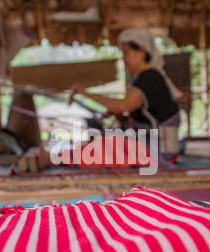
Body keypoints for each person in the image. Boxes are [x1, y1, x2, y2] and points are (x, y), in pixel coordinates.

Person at [32, 28, 183, 171]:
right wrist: (118, 115)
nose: (124, 59)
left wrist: (85, 94)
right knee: (102, 143)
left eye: (126, 53)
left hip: (158, 152)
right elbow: (132, 113)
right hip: (155, 148)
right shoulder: (146, 79)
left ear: (142, 51)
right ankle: (58, 157)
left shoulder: (150, 78)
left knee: (107, 145)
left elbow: (124, 106)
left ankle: (54, 158)